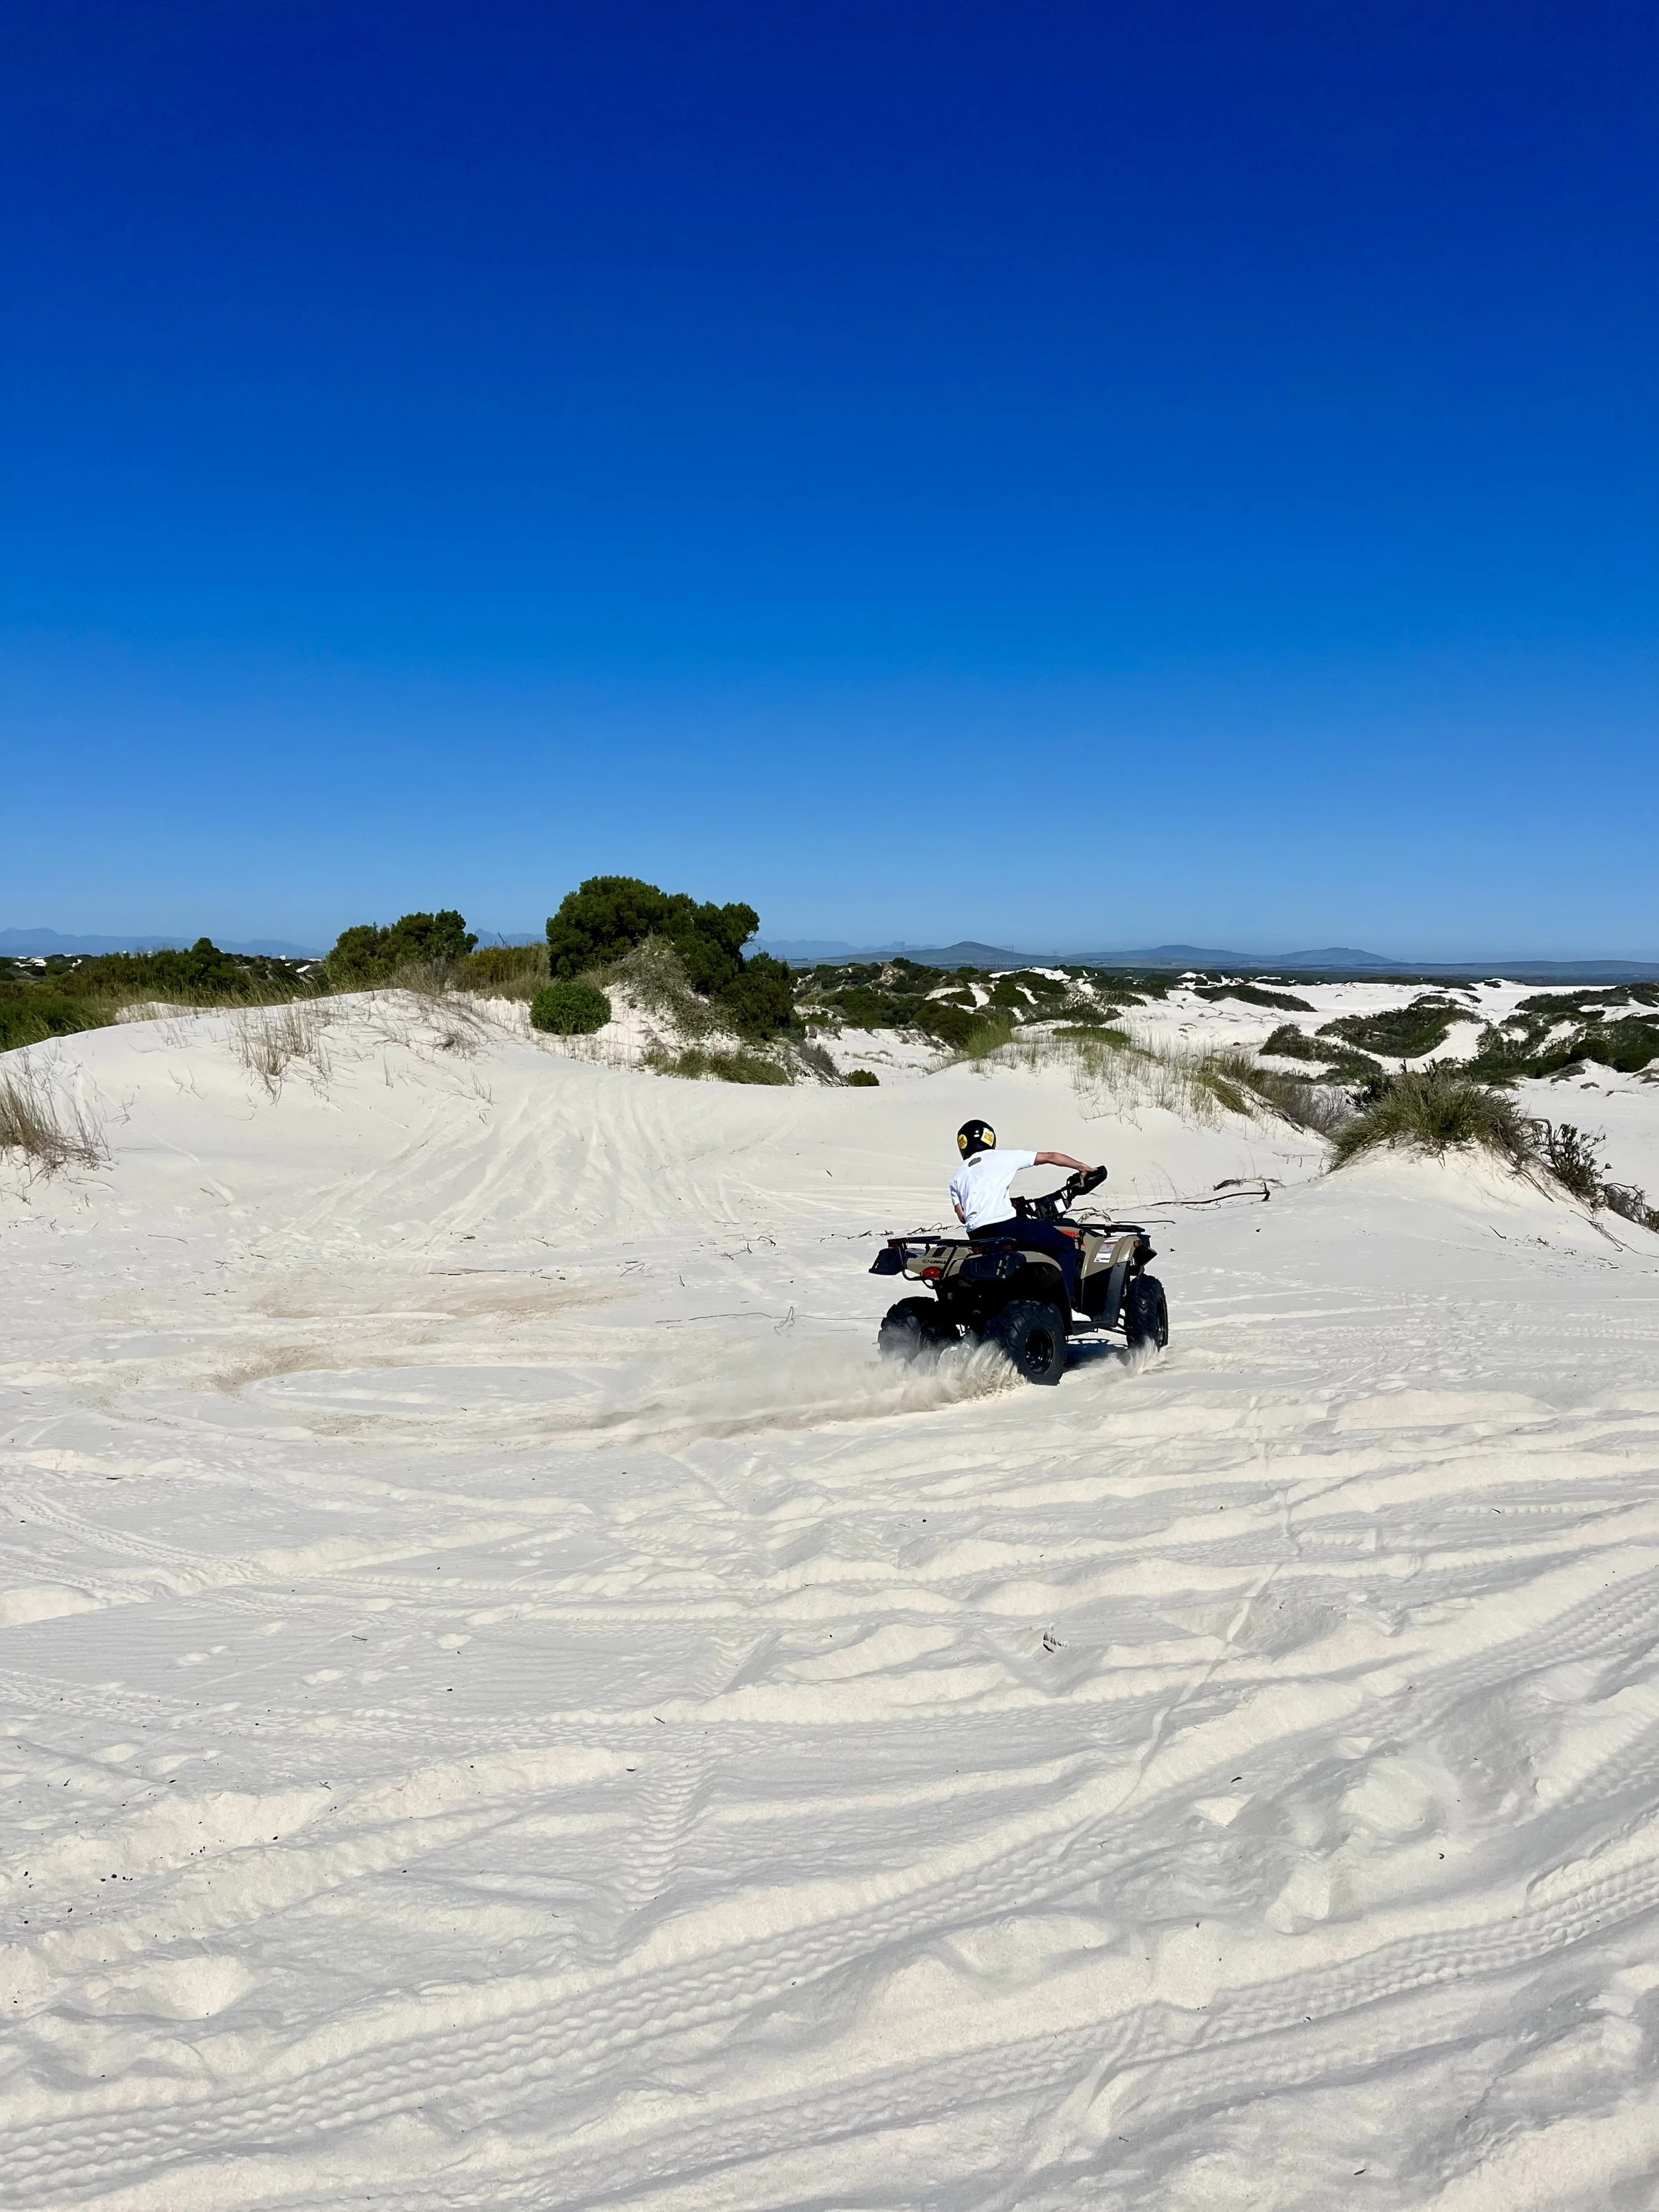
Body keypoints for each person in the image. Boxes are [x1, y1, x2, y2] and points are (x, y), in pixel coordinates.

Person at [949, 1119, 1102, 1303]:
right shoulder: (1002, 1157)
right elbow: (1051, 1157)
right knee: (1065, 1245)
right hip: (1006, 1227)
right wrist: (1083, 1168)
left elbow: (963, 1216)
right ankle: (1068, 1306)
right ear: (990, 1138)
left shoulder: (958, 1176)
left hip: (977, 1234)